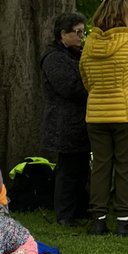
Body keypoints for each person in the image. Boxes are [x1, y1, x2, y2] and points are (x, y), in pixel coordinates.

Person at [79, 0, 128, 237]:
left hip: (97, 114)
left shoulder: (89, 43)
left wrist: (99, 95)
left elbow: (85, 78)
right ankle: (124, 221)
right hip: (127, 113)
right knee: (126, 166)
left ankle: (98, 220)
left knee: (100, 166)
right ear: (125, 15)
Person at [40, 12, 90, 226]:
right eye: (77, 32)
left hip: (78, 122)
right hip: (63, 123)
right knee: (68, 170)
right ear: (63, 34)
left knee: (80, 168)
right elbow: (70, 88)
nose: (81, 36)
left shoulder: (74, 54)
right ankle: (65, 214)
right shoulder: (54, 58)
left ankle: (79, 209)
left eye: (82, 32)